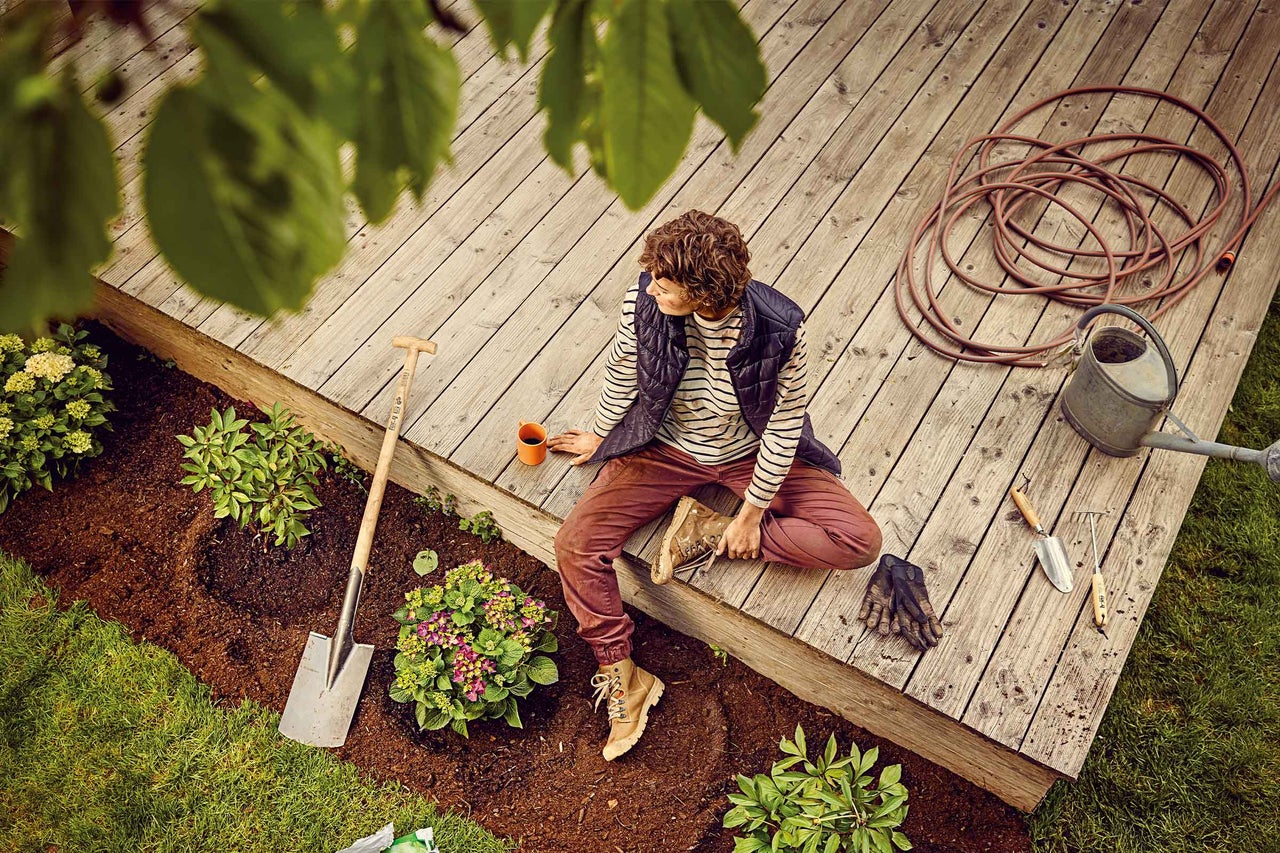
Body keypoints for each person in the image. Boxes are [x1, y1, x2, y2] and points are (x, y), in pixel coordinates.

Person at [549, 210, 927, 763]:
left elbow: (784, 422)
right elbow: (622, 369)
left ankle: (706, 527)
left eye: (665, 282)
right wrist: (604, 436)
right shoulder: (645, 300)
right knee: (576, 543)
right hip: (664, 449)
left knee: (858, 540)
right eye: (652, 275)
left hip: (749, 453)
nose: (651, 286)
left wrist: (748, 516)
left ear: (703, 291)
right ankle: (624, 676)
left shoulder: (779, 331)